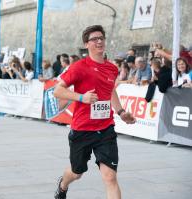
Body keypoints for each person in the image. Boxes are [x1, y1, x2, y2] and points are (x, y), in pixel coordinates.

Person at [53, 25, 136, 199]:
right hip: (82, 129)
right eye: (94, 39)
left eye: (101, 38)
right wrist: (82, 97)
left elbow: (110, 90)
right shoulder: (78, 67)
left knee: (110, 177)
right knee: (77, 173)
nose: (99, 41)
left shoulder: (112, 68)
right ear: (86, 44)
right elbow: (57, 91)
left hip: (105, 129)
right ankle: (63, 184)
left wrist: (120, 112)